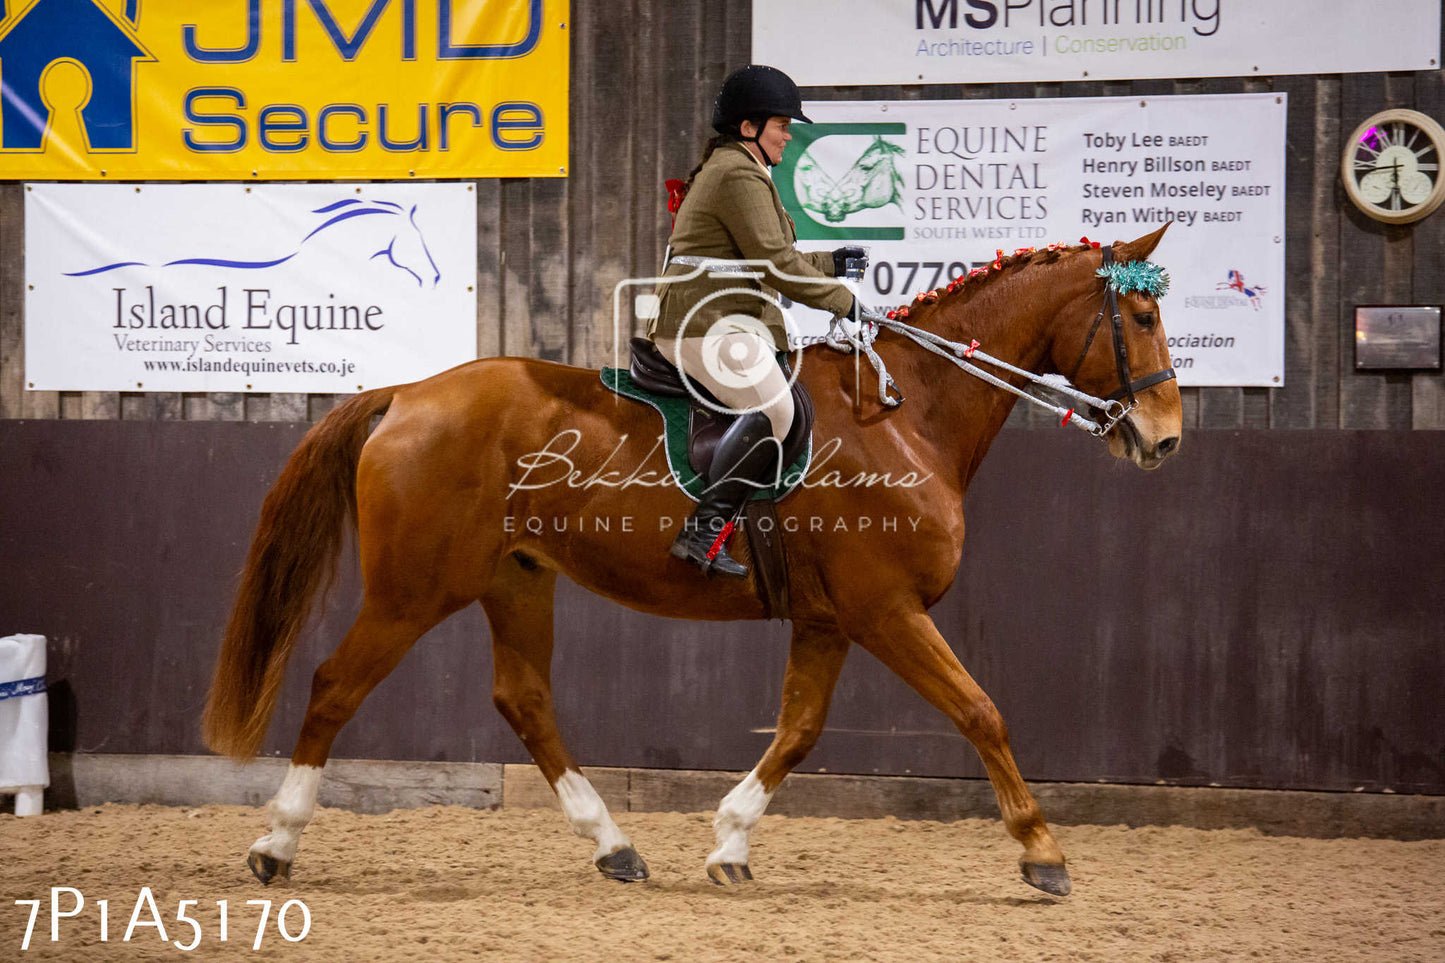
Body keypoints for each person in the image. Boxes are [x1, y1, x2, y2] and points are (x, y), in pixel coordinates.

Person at [649, 64, 866, 578]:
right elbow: (777, 266)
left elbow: (773, 256)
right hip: (704, 324)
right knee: (778, 411)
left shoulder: (741, 169)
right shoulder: (738, 172)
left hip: (727, 319)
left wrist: (833, 265)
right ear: (749, 128)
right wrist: (842, 300)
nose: (789, 137)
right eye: (782, 125)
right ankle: (703, 532)